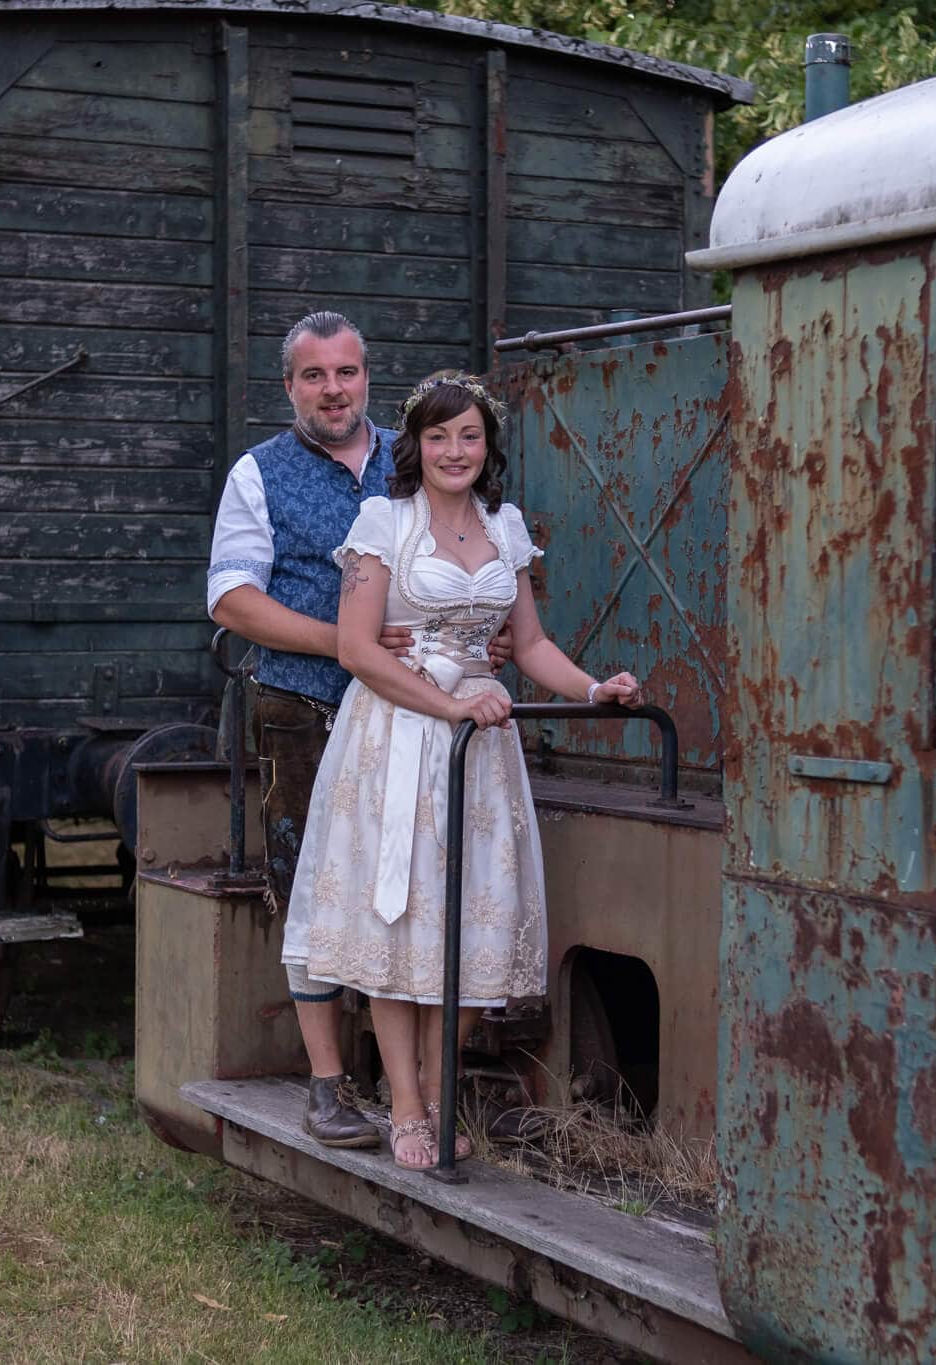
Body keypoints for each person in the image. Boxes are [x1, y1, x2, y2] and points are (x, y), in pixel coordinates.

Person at [280, 373, 640, 1169]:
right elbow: (357, 649)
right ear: (416, 444)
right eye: (439, 437)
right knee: (397, 924)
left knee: (474, 931)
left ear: (488, 445)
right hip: (399, 738)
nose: (454, 451)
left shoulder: (504, 528)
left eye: (469, 436)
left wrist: (592, 688)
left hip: (482, 747)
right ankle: (408, 1107)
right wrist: (445, 709)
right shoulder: (384, 521)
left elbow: (532, 643)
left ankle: (443, 1091)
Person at [206, 313, 512, 1148]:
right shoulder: (258, 473)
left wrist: (484, 636)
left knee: (413, 896)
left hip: (413, 713)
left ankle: (404, 1089)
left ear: (367, 378)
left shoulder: (412, 452)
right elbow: (231, 598)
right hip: (304, 704)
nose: (333, 389)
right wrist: (346, 641)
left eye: (346, 372)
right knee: (321, 886)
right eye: (315, 376)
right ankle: (330, 1086)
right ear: (290, 387)